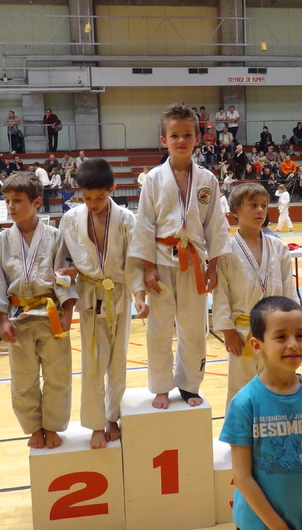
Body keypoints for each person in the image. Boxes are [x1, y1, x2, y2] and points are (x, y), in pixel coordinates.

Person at [127, 103, 230, 409]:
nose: (181, 141)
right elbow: (144, 224)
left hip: (195, 262)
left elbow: (215, 225)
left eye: (187, 135)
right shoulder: (153, 179)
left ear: (198, 138)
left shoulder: (208, 180)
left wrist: (213, 265)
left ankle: (188, 384)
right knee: (159, 328)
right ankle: (161, 386)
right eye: (174, 135)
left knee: (194, 328)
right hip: (161, 261)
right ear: (164, 140)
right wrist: (147, 268)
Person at [219, 295, 302, 530]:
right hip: (257, 525)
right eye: (281, 337)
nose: (293, 344)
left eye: (300, 335)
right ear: (257, 345)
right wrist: (278, 527)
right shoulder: (245, 403)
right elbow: (242, 477)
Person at [0, 172, 77, 448]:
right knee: (23, 380)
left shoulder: (56, 236)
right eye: (7, 201)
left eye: (17, 200)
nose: (11, 206)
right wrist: (2, 320)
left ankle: (52, 426)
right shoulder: (2, 240)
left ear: (36, 202)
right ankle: (34, 428)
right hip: (18, 319)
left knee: (58, 376)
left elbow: (65, 278)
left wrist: (68, 312)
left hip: (52, 316)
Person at [56, 159, 146, 448]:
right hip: (89, 294)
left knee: (118, 360)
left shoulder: (127, 219)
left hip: (119, 293)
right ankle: (96, 423)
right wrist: (68, 281)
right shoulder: (70, 219)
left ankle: (112, 417)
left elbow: (135, 262)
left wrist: (139, 295)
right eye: (86, 198)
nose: (93, 204)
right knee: (93, 361)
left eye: (100, 197)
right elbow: (62, 261)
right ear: (78, 192)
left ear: (112, 190)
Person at [213, 182, 299, 410]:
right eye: (253, 205)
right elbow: (221, 293)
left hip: (277, 332)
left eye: (263, 205)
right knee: (240, 391)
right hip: (242, 334)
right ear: (235, 212)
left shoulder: (278, 247)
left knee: (278, 386)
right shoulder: (226, 251)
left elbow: (288, 290)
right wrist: (228, 331)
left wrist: (294, 329)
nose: (260, 211)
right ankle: (239, 431)